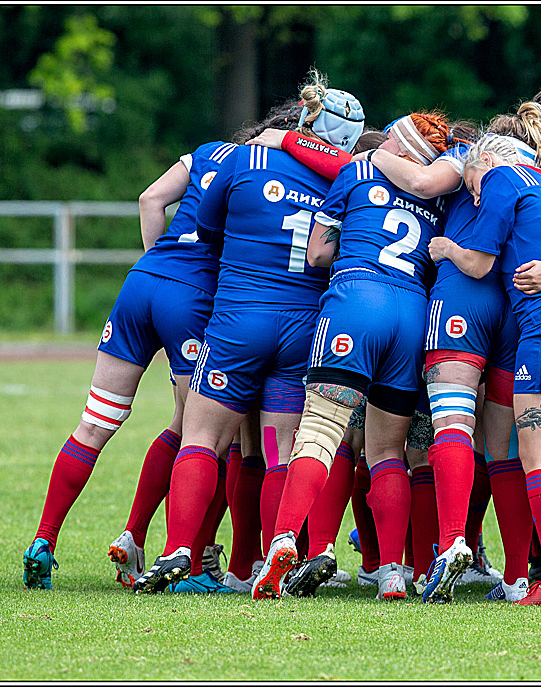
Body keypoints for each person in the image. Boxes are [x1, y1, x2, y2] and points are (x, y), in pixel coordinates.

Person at [130, 73, 365, 594]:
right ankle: (273, 551)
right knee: (281, 449)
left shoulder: (242, 159)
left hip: (239, 319)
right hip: (303, 325)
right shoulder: (351, 178)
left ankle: (180, 555)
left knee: (202, 438)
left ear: (304, 117)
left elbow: (206, 233)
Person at [22, 128, 236, 591]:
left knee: (95, 422)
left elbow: (149, 199)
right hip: (193, 297)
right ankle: (167, 550)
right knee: (197, 431)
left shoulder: (206, 153)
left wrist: (157, 265)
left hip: (143, 280)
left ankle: (44, 540)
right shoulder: (272, 169)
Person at [251, 111, 452, 601]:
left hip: (356, 299)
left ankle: (283, 543)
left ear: (398, 147)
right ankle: (390, 571)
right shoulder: (438, 190)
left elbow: (318, 254)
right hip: (414, 312)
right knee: (388, 451)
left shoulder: (358, 169)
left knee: (319, 432)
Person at [429, 133, 541, 605]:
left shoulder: (498, 177)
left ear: (485, 160)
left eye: (471, 183)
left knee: (537, 460)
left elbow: (478, 263)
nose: (473, 194)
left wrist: (447, 247)